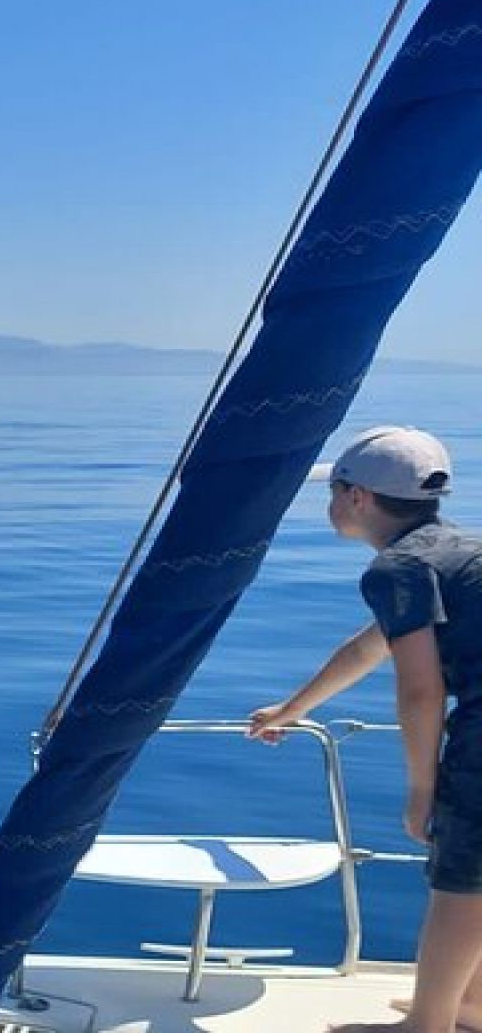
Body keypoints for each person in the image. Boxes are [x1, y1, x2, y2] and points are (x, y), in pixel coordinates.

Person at [245, 426, 482, 1033]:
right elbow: (367, 649)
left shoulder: (398, 568)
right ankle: (470, 1006)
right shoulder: (456, 551)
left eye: (335, 490)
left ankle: (428, 1025)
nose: (329, 502)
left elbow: (421, 690)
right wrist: (293, 709)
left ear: (358, 499)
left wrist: (422, 791)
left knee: (463, 878)